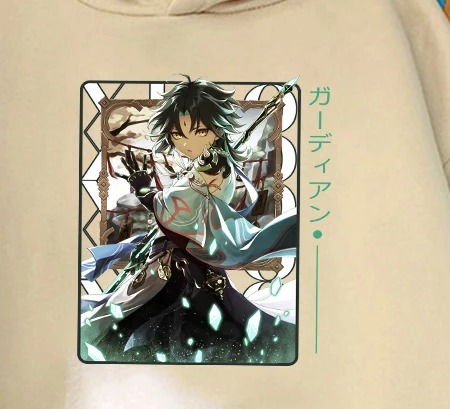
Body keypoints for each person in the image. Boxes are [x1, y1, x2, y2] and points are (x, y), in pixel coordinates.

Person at [79, 75, 298, 364]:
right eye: (178, 135)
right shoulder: (205, 165)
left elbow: (175, 209)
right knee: (129, 324)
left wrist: (144, 189)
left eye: (199, 131)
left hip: (187, 268)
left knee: (150, 327)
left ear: (217, 129)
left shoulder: (213, 166)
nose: (187, 142)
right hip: (172, 263)